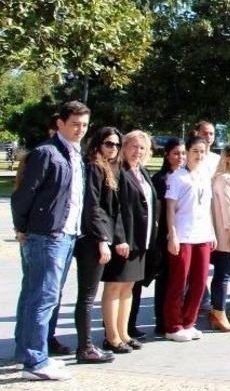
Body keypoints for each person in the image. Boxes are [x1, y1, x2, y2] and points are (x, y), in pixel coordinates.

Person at [12, 101, 91, 380]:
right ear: (60, 124)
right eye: (75, 124)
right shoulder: (47, 153)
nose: (80, 130)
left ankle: (26, 352)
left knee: (37, 293)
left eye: (84, 125)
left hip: (67, 234)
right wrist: (21, 227)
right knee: (42, 297)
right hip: (46, 235)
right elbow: (23, 194)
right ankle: (35, 362)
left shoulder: (74, 154)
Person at [101, 131, 156, 353]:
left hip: (140, 240)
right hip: (124, 240)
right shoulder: (118, 172)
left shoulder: (141, 171)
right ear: (124, 148)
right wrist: (119, 238)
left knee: (128, 288)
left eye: (142, 148)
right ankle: (111, 337)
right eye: (133, 146)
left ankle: (124, 333)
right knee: (115, 287)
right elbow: (114, 209)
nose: (137, 151)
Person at [73, 127, 120, 365]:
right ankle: (85, 347)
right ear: (98, 144)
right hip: (91, 239)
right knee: (88, 296)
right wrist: (102, 240)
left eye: (115, 145)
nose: (113, 148)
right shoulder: (93, 167)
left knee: (88, 295)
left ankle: (86, 346)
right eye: (108, 144)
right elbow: (93, 208)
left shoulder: (105, 167)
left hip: (98, 236)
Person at [163, 135, 216, 342]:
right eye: (195, 151)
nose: (199, 155)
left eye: (202, 152)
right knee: (179, 281)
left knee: (200, 281)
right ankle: (173, 325)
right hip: (183, 235)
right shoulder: (177, 177)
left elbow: (207, 207)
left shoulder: (204, 175)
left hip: (202, 234)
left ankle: (188, 322)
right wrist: (172, 235)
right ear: (187, 152)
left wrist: (212, 233)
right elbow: (170, 208)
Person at [145, 138, 183, 336]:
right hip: (164, 235)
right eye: (176, 153)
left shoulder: (186, 177)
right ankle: (162, 321)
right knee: (165, 279)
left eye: (183, 154)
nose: (180, 157)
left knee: (178, 280)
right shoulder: (161, 179)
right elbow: (158, 210)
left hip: (185, 234)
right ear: (167, 155)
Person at [208, 140, 230, 332]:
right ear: (228, 158)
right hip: (226, 236)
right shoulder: (225, 179)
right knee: (222, 276)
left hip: (228, 234)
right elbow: (227, 208)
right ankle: (218, 312)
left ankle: (217, 311)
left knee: (223, 275)